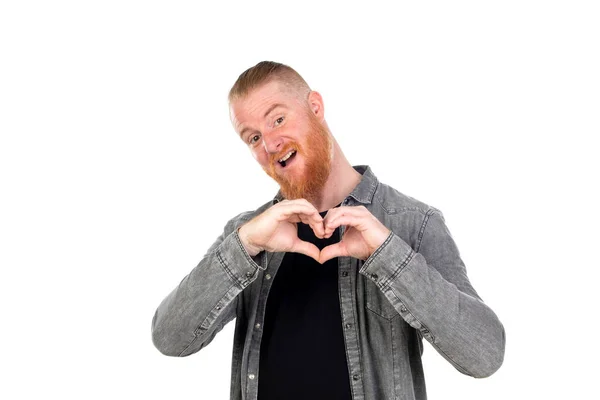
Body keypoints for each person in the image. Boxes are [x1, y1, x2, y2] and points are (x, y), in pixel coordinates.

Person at [151, 61, 505, 400]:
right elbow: (171, 338)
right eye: (253, 137)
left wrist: (388, 255)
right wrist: (244, 246)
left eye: (277, 119)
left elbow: (484, 354)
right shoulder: (250, 234)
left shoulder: (412, 222)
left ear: (315, 107)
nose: (270, 143)